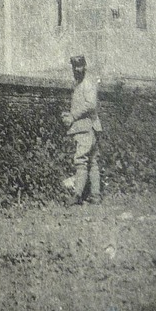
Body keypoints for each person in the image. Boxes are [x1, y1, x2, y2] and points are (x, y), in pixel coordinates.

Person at [62, 54, 102, 205]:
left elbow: (90, 105)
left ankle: (77, 194)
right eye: (74, 67)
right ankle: (95, 195)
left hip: (86, 127)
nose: (77, 69)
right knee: (92, 162)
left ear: (85, 66)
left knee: (81, 161)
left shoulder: (88, 82)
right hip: (87, 127)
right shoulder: (79, 84)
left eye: (79, 66)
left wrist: (72, 116)